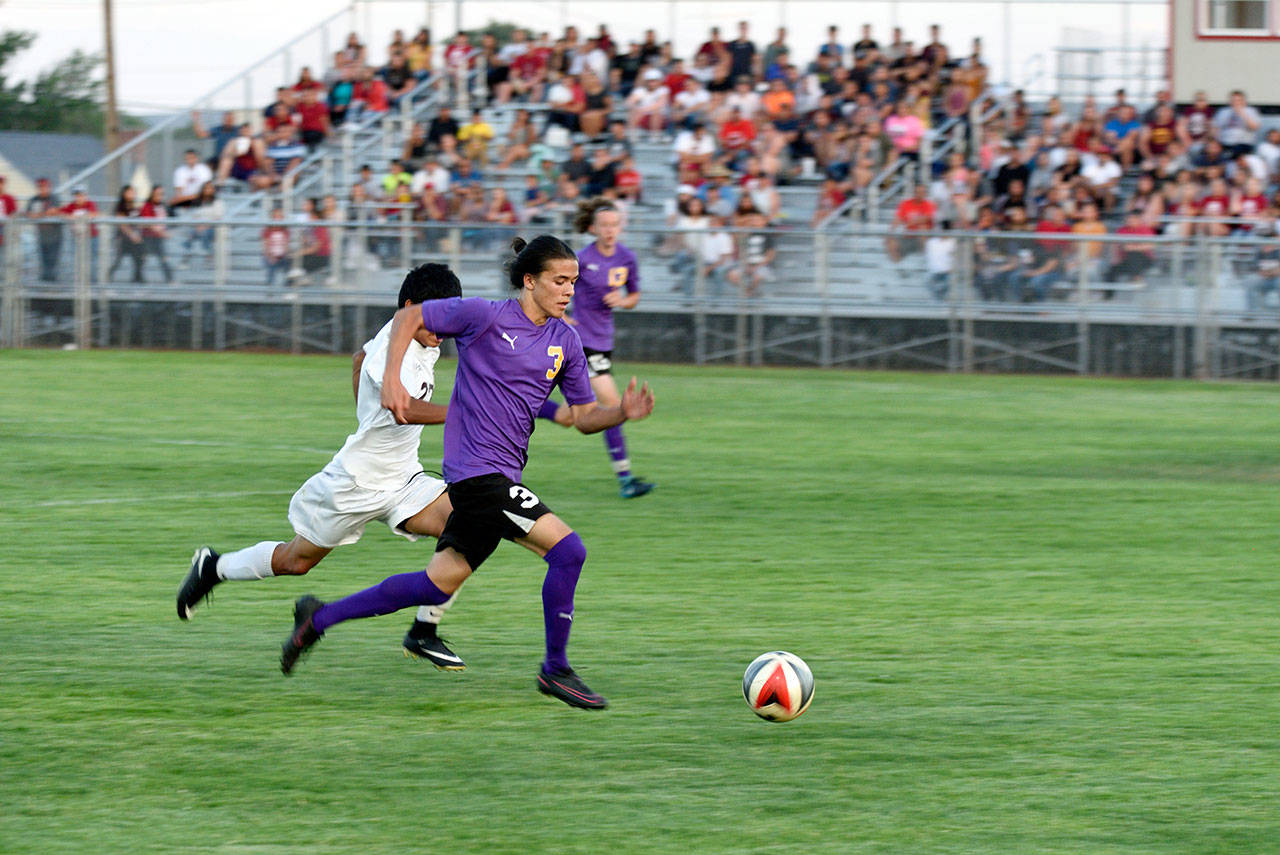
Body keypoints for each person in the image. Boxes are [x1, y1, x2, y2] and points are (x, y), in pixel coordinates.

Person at [278, 235, 656, 710]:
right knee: (568, 552)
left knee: (435, 584)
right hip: (478, 478)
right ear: (530, 280)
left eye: (574, 283)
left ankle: (317, 620)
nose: (568, 292)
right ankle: (555, 669)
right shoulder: (484, 316)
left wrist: (620, 411)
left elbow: (582, 418)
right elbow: (409, 316)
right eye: (559, 281)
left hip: (499, 479)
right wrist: (392, 380)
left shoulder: (566, 341)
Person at [179, 265, 473, 669]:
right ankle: (214, 567)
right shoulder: (394, 348)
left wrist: (366, 415)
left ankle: (424, 631)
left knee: (469, 527)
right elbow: (403, 410)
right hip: (355, 483)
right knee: (295, 562)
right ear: (410, 308)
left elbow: (357, 358)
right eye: (436, 317)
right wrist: (464, 412)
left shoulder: (424, 335)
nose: (442, 330)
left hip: (404, 479)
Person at [535, 198, 654, 498]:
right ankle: (626, 479)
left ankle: (524, 404)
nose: (610, 230)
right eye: (604, 225)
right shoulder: (582, 259)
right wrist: (564, 316)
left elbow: (635, 296)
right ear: (594, 228)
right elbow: (554, 286)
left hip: (603, 342)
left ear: (621, 226)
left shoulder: (627, 258)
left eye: (614, 225)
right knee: (617, 407)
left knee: (567, 417)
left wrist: (623, 301)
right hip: (581, 342)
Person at [107, 186, 145, 283]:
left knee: (138, 260)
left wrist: (139, 233)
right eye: (129, 192)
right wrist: (132, 235)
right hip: (123, 239)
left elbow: (139, 221)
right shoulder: (121, 206)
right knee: (118, 260)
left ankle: (137, 279)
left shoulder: (134, 206)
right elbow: (122, 224)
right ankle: (107, 277)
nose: (132, 194)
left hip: (134, 239)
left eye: (133, 192)